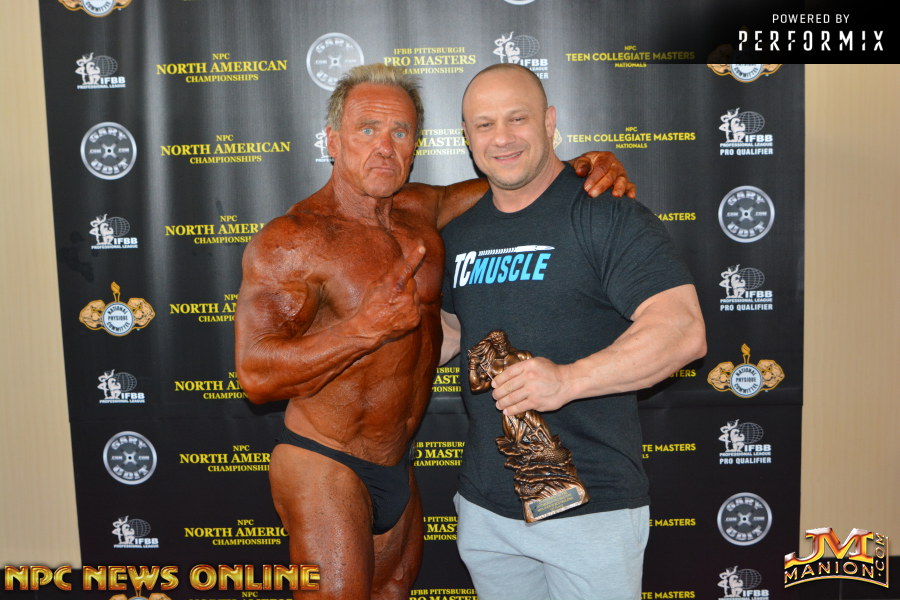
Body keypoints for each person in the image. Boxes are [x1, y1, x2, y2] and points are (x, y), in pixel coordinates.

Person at [234, 63, 633, 600]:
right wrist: (362, 329)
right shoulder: (294, 238)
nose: (385, 147)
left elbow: (517, 178)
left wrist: (581, 167)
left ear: (415, 144)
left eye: (400, 132)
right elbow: (256, 375)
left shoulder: (421, 209)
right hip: (324, 460)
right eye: (367, 129)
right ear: (332, 140)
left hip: (396, 460)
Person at [440, 64, 706, 600]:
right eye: (485, 124)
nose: (502, 137)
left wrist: (568, 380)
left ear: (549, 121)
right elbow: (447, 331)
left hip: (592, 510)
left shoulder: (606, 215)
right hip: (487, 510)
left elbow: (682, 330)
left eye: (518, 118)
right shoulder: (459, 233)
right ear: (467, 137)